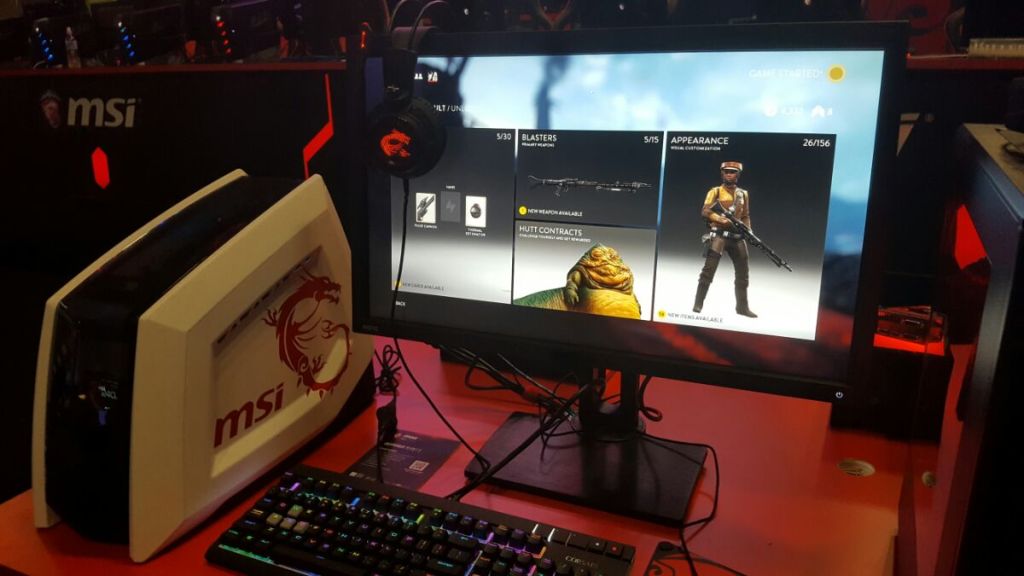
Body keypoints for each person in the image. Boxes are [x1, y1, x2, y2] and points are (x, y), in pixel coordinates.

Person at [693, 161, 757, 317]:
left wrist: (748, 230)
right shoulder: (715, 191)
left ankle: (742, 307)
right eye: (726, 171)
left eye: (733, 172)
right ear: (722, 173)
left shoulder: (743, 194)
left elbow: (745, 215)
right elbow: (705, 211)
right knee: (708, 272)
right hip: (719, 236)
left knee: (743, 275)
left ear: (738, 174)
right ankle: (698, 304)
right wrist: (720, 219)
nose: (729, 174)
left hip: (737, 237)